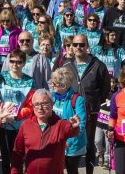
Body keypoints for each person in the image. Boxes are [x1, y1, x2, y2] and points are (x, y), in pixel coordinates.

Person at [53, 34, 110, 174]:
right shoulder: (66, 64)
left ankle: (89, 171)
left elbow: (105, 89)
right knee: (70, 144)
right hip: (69, 111)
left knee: (89, 145)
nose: (78, 47)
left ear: (87, 46)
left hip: (90, 111)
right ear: (71, 46)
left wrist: (94, 102)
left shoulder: (98, 65)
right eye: (75, 44)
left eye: (82, 45)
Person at [11, 89, 81, 174]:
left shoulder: (60, 124)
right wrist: (14, 171)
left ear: (52, 104)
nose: (40, 108)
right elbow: (18, 152)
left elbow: (72, 131)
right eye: (36, 104)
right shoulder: (26, 125)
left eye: (44, 103)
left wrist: (74, 126)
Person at [51, 68, 87, 174]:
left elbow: (81, 124)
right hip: (55, 141)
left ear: (64, 85)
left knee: (71, 170)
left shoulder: (77, 100)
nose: (52, 85)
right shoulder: (52, 97)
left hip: (72, 144)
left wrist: (69, 142)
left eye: (55, 83)